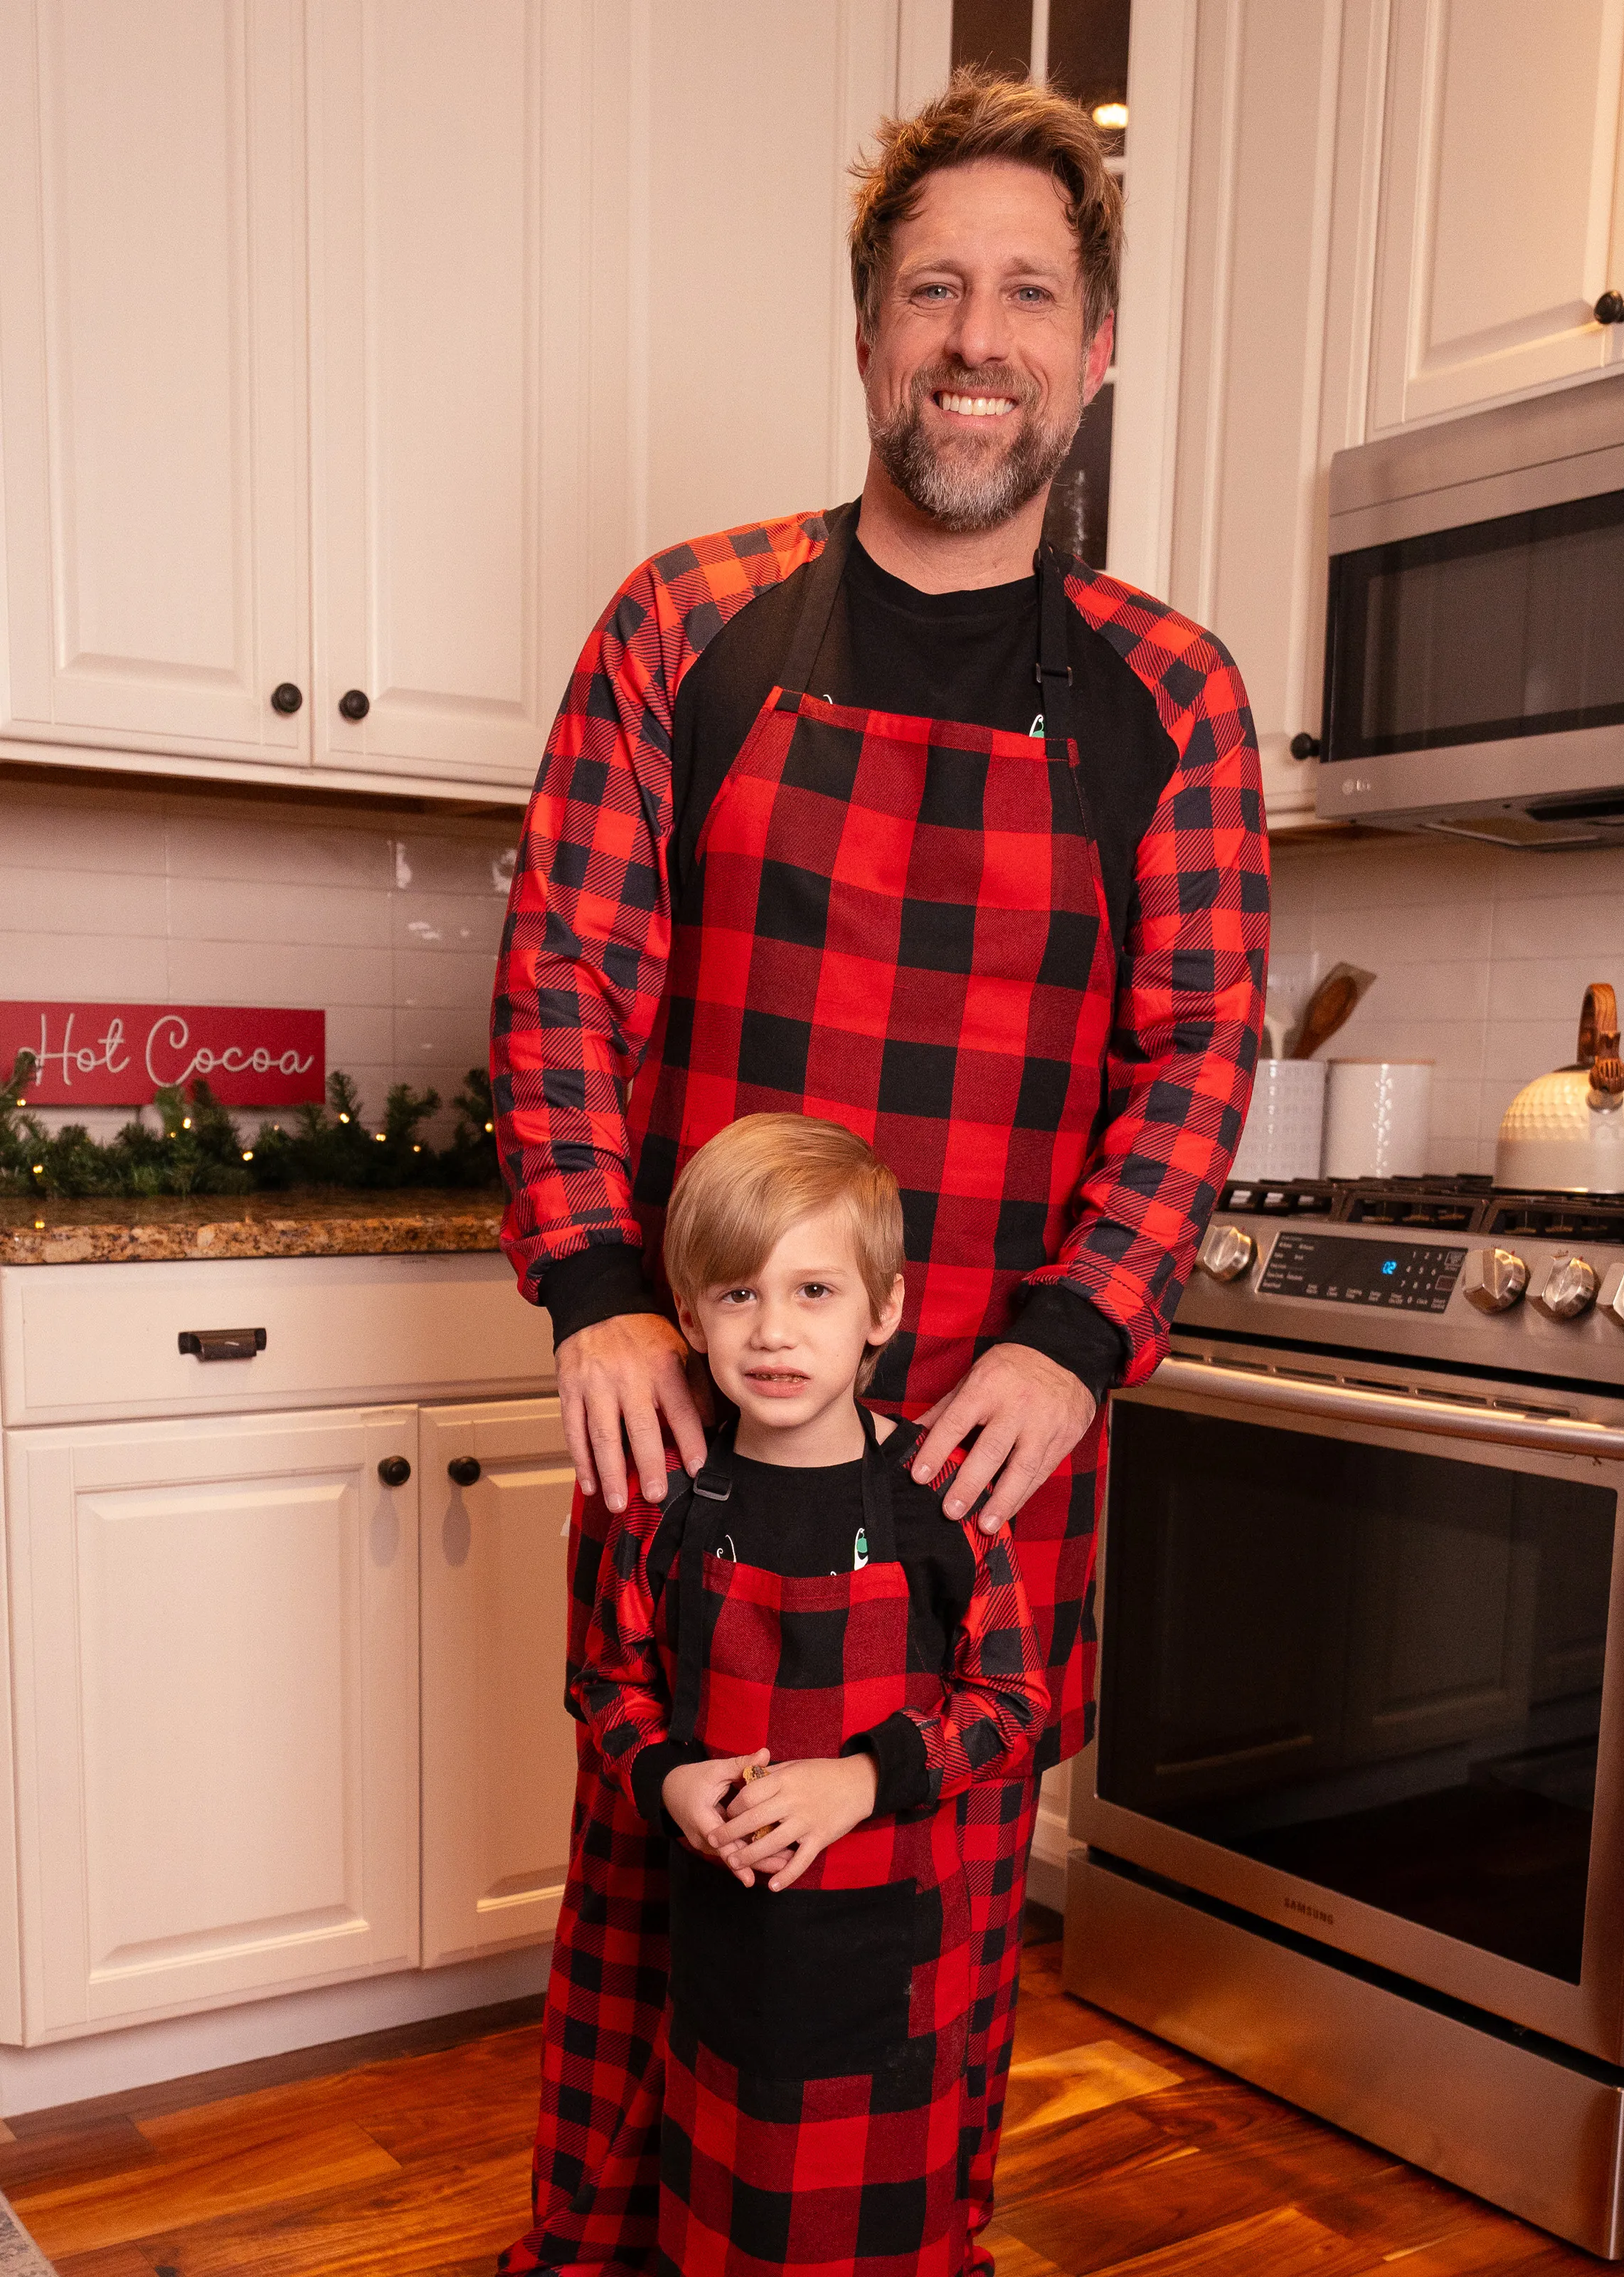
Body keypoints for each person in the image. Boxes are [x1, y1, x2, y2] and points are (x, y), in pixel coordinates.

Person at [492, 65, 1268, 2275]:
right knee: (656, 1887)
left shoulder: (1172, 700)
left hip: (988, 1457)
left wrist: (1076, 1338)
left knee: (908, 1948)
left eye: (1030, 291)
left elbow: (1199, 1048)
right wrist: (600, 1288)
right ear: (864, 336)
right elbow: (564, 977)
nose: (977, 334)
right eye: (934, 286)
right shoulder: (686, 621)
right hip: (697, 1412)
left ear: (1093, 350)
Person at [572, 1113, 1049, 2276]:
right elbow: (606, 1684)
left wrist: (863, 1779)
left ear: (884, 1311)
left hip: (892, 1955)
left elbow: (1015, 1704)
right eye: (736, 1295)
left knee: (875, 2223)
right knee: (726, 2199)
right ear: (686, 1317)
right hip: (725, 1941)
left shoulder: (944, 1501)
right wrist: (673, 1775)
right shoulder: (665, 1505)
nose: (773, 1331)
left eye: (815, 1292)